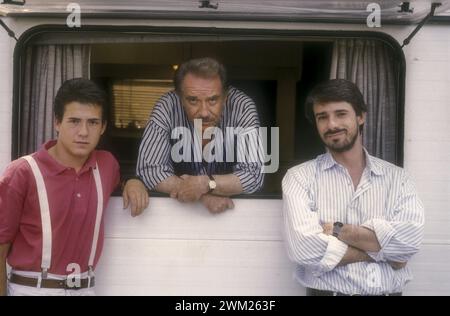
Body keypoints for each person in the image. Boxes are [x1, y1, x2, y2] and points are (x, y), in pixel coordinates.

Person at [0, 78, 149, 296]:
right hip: (32, 290)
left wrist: (133, 180)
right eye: (74, 121)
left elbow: (121, 177)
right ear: (57, 122)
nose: (83, 132)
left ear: (104, 127)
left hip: (85, 289)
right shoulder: (22, 172)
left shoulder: (107, 165)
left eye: (93, 122)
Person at [282, 79, 424, 296]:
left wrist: (339, 230)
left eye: (341, 114)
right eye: (322, 117)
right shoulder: (299, 178)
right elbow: (304, 249)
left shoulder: (399, 179)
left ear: (360, 116)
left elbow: (408, 243)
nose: (331, 125)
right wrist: (381, 251)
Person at [137, 57, 264, 213]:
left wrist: (207, 184)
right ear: (180, 97)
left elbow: (253, 175)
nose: (204, 112)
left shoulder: (243, 107)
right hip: (178, 215)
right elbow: (150, 170)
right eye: (192, 100)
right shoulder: (167, 106)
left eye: (213, 100)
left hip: (234, 216)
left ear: (225, 96)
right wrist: (202, 194)